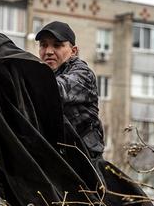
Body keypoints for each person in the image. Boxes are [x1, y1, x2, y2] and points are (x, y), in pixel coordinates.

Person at [35, 21, 105, 159]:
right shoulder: (43, 74)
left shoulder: (82, 74)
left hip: (84, 163)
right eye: (43, 45)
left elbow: (54, 90)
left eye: (57, 45)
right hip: (55, 158)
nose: (48, 51)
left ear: (73, 51)